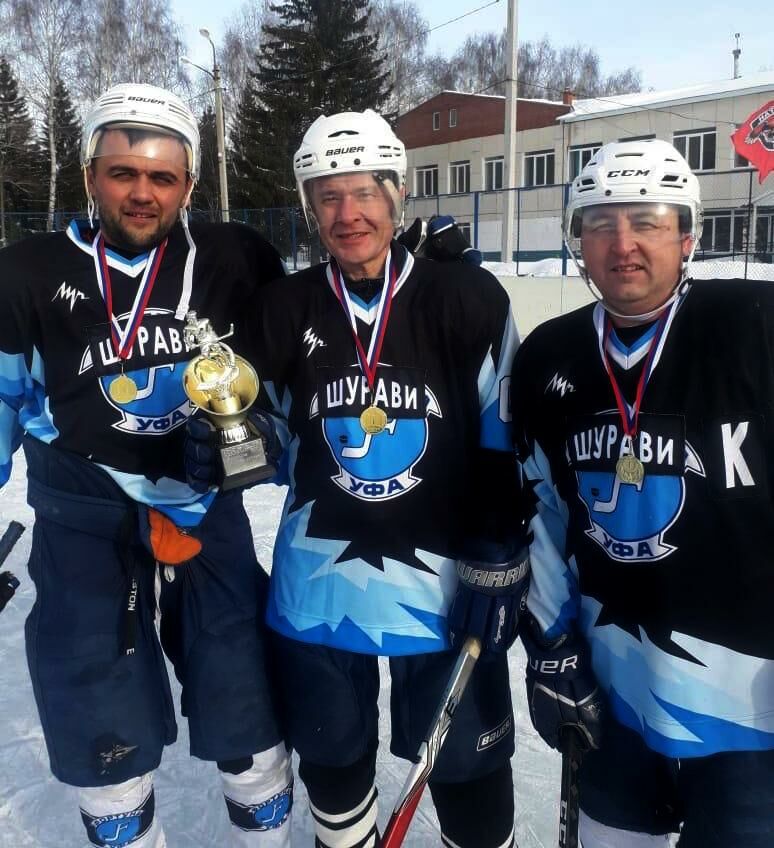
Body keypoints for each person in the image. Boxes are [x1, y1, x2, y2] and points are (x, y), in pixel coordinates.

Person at [0, 83, 292, 847]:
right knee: (103, 733)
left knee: (246, 706)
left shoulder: (235, 257)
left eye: (162, 178)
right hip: (82, 521)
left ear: (189, 186)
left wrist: (420, 277)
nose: (142, 193)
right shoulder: (25, 272)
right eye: (123, 172)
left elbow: (303, 363)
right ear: (93, 174)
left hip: (204, 512)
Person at [247, 110, 526, 848]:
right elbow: (266, 429)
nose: (349, 215)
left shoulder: (465, 297)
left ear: (398, 193)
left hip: (442, 580)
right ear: (309, 206)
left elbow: (504, 431)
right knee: (332, 761)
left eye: (365, 192)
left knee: (470, 776)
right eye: (328, 196)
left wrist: (498, 539)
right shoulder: (284, 307)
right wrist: (224, 447)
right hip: (318, 580)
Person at [514, 138, 774, 847]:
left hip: (748, 699)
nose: (621, 244)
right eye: (599, 222)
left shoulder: (755, 326)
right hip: (614, 681)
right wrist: (550, 644)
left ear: (687, 235)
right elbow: (542, 511)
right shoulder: (549, 355)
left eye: (646, 221)